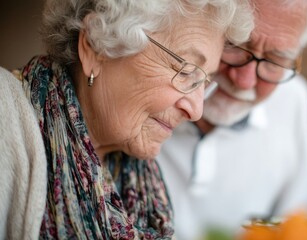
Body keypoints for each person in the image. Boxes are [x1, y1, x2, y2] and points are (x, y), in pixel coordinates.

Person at [0, 0, 254, 239]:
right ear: (95, 46)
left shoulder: (143, 182)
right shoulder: (5, 115)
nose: (196, 110)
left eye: (203, 81)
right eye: (185, 70)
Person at [157, 0, 307, 239]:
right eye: (234, 44)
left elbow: (303, 212)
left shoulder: (293, 99)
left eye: (274, 59)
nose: (244, 81)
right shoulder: (149, 85)